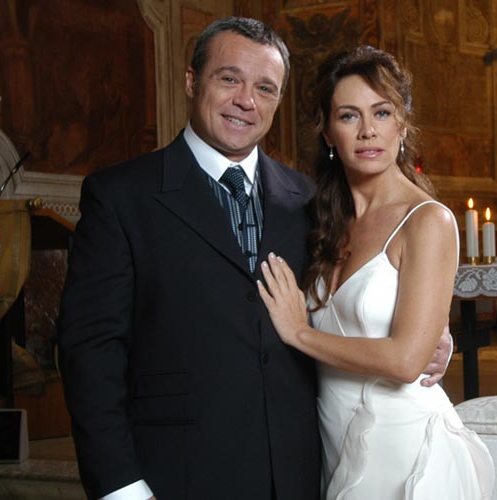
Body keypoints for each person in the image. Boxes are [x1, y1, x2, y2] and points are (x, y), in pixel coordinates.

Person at [57, 18, 450, 500]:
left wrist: (431, 336)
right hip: (179, 474)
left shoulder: (310, 201)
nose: (246, 100)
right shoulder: (121, 196)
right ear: (191, 81)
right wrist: (121, 487)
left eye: (265, 88)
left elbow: (356, 294)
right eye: (229, 79)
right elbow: (89, 352)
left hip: (302, 470)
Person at [257, 46, 494, 499]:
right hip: (332, 441)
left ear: (402, 124)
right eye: (349, 116)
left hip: (405, 448)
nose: (368, 130)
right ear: (328, 133)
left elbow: (406, 361)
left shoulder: (428, 221)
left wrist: (300, 333)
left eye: (381, 112)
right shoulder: (321, 220)